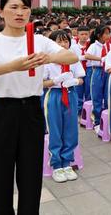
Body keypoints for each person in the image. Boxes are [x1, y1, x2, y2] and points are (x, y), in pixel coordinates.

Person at [0, 0, 78, 214]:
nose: (20, 13)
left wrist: (49, 57)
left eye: (25, 8)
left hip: (31, 112)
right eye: (14, 7)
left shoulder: (38, 40)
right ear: (0, 11)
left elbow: (71, 57)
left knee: (30, 178)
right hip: (1, 112)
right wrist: (12, 67)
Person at [43, 30, 85, 183]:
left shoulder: (73, 59)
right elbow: (41, 83)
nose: (62, 45)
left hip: (71, 93)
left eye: (65, 41)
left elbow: (81, 78)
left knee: (70, 129)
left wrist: (74, 81)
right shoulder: (47, 62)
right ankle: (56, 164)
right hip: (54, 95)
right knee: (55, 129)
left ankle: (67, 161)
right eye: (58, 42)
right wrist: (55, 81)